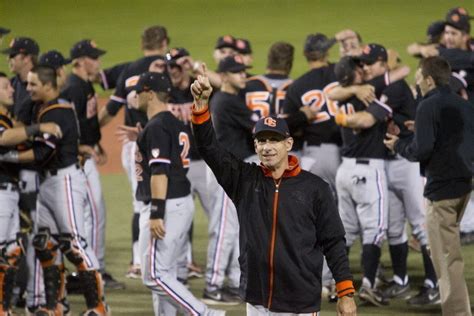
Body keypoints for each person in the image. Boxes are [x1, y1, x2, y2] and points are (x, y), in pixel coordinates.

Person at [190, 71, 357, 316]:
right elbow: (209, 149)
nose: (267, 147)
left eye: (274, 140)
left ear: (288, 144)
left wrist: (345, 292)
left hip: (300, 302)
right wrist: (202, 106)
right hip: (257, 300)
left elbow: (333, 241)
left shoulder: (315, 188)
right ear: (255, 145)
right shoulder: (244, 180)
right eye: (261, 141)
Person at [384, 56, 474, 316]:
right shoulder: (463, 103)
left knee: (446, 259)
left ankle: (458, 313)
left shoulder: (427, 105)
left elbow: (420, 151)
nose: (417, 83)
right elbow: (453, 135)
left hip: (441, 191)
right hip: (463, 185)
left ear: (430, 80)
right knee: (449, 253)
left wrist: (398, 145)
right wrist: (420, 128)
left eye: (419, 78)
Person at [133, 71, 224, 316]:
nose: (134, 96)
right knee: (167, 272)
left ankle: (205, 314)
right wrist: (143, 138)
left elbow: (160, 173)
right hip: (180, 203)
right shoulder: (173, 122)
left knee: (153, 276)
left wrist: (156, 213)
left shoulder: (157, 127)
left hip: (166, 206)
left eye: (138, 91)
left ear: (149, 94)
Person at [26, 65, 108, 315]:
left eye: (33, 84)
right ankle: (56, 306)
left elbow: (42, 153)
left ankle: (98, 307)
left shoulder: (57, 111)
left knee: (74, 244)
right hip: (49, 183)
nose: (28, 88)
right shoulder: (48, 108)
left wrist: (7, 154)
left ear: (48, 85)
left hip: (65, 182)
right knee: (46, 244)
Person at [98, 25, 169, 279]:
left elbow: (109, 110)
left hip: (133, 147)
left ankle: (137, 262)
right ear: (165, 43)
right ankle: (181, 261)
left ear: (142, 44)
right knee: (174, 199)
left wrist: (90, 135)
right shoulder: (169, 67)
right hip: (165, 141)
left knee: (140, 203)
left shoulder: (129, 69)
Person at [61, 39, 125, 289]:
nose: (98, 62)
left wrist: (95, 142)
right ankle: (93, 269)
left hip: (86, 157)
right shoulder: (73, 88)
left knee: (93, 213)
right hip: (77, 160)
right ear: (79, 61)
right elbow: (64, 127)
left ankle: (90, 268)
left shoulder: (84, 85)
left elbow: (87, 124)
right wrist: (83, 147)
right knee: (93, 212)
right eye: (93, 57)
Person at [332, 56, 393, 307]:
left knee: (345, 232)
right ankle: (368, 284)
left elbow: (335, 93)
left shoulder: (342, 95)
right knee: (375, 230)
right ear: (354, 74)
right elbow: (399, 69)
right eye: (360, 67)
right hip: (368, 171)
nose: (365, 69)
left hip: (345, 170)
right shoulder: (371, 95)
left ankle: (339, 288)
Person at [0, 72, 62, 315]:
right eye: (5, 87)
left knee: (11, 253)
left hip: (10, 194)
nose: (12, 90)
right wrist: (39, 127)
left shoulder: (8, 119)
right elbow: (3, 138)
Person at [203, 55, 256, 305]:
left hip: (234, 170)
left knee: (235, 228)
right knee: (224, 229)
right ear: (223, 77)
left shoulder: (227, 99)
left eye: (244, 71)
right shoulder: (227, 101)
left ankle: (235, 282)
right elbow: (257, 129)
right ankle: (212, 285)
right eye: (237, 72)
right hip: (227, 172)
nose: (243, 75)